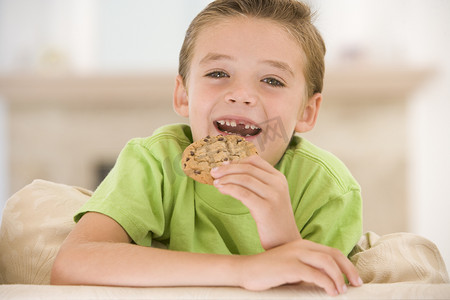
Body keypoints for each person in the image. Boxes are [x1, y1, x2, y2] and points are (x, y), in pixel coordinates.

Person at [51, 0, 363, 296]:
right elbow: (71, 265)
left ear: (307, 112)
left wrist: (283, 239)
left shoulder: (329, 189)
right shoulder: (155, 163)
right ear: (183, 95)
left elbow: (320, 291)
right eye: (218, 74)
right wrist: (244, 270)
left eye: (272, 80)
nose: (241, 94)